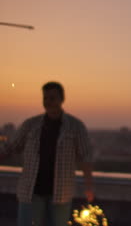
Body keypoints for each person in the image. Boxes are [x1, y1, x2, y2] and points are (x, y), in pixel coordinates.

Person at [0, 82, 94, 226]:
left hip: (60, 194)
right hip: (31, 192)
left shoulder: (75, 127)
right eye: (45, 98)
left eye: (52, 98)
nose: (48, 102)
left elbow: (85, 157)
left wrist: (89, 186)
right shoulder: (31, 125)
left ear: (62, 99)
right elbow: (11, 148)